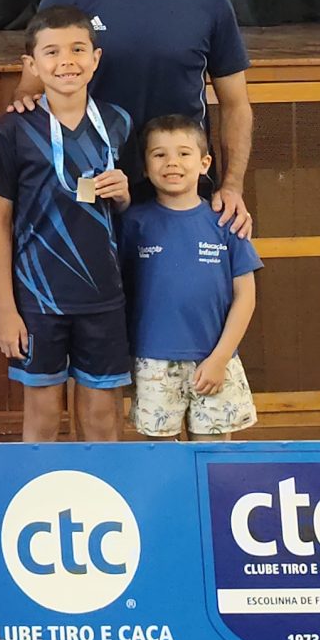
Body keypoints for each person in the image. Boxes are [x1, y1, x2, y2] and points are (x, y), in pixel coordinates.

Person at [31, 0, 254, 222]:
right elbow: (29, 93)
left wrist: (232, 186)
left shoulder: (209, 0)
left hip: (179, 191)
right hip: (94, 189)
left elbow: (236, 105)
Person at [0, 6, 133, 443]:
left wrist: (124, 195)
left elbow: (127, 211)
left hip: (103, 295)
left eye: (77, 50)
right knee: (43, 415)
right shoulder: (13, 129)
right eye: (51, 52)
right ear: (31, 65)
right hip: (38, 299)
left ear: (96, 58)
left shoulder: (119, 122)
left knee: (101, 416)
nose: (66, 61)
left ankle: (103, 487)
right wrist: (7, 309)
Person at [122, 115, 261, 440]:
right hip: (153, 362)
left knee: (213, 458)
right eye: (159, 154)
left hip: (215, 359)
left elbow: (246, 296)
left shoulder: (226, 222)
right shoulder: (133, 223)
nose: (172, 163)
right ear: (145, 167)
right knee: (160, 459)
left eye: (184, 153)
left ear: (204, 163)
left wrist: (220, 358)